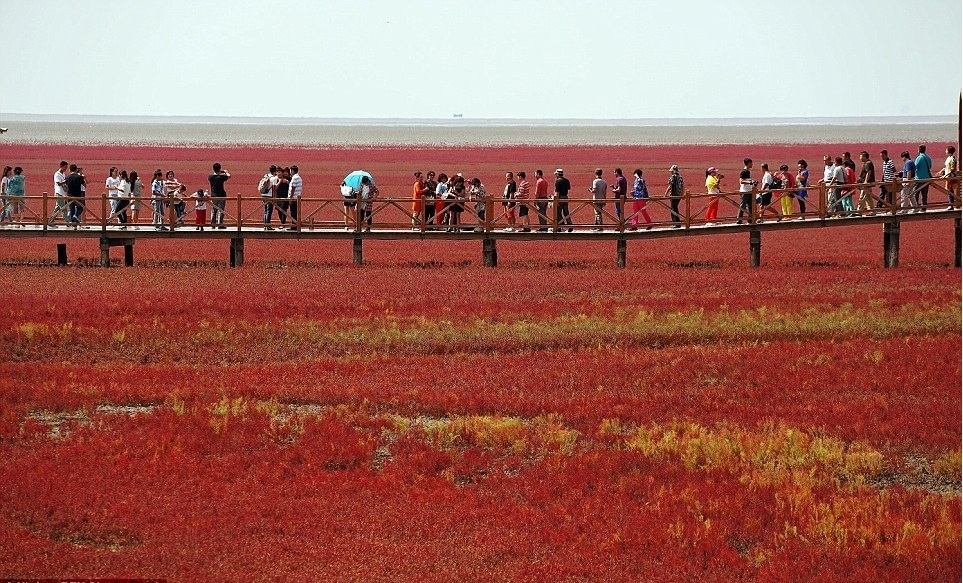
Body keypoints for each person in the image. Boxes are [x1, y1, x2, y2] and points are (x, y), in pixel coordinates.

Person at [208, 162, 230, 229]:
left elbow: (213, 175)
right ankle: (220, 224)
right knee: (221, 210)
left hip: (213, 195)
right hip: (221, 195)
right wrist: (225, 172)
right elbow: (229, 176)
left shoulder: (210, 177)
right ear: (219, 168)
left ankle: (213, 224)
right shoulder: (221, 177)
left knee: (213, 210)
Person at [48, 161, 69, 227]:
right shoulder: (57, 174)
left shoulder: (63, 174)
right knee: (63, 209)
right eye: (65, 167)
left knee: (57, 209)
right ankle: (68, 223)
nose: (66, 168)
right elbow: (58, 183)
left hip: (62, 194)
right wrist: (66, 181)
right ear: (61, 166)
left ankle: (51, 221)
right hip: (58, 193)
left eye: (66, 167)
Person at [65, 164, 86, 228]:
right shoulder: (79, 177)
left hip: (69, 196)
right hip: (77, 195)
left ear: (70, 170)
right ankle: (76, 216)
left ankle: (73, 224)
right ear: (76, 169)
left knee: (72, 210)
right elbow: (84, 184)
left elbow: (66, 186)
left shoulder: (67, 177)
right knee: (80, 208)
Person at [913, 144, 933, 210]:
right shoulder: (928, 157)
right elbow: (930, 166)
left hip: (919, 178)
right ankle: (924, 207)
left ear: (919, 150)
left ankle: (915, 207)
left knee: (915, 193)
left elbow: (915, 167)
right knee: (924, 194)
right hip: (926, 178)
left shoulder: (919, 158)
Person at [737, 158, 756, 224]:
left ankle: (750, 220)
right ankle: (739, 219)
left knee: (750, 206)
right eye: (751, 163)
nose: (752, 164)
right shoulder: (744, 171)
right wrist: (750, 182)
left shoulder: (748, 171)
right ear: (748, 163)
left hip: (749, 191)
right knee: (743, 205)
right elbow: (741, 181)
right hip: (745, 191)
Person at [260, 165, 277, 229]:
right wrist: (274, 198)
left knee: (265, 210)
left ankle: (265, 225)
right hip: (269, 195)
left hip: (263, 194)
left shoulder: (266, 176)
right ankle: (268, 226)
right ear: (275, 171)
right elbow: (274, 188)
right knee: (269, 211)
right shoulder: (274, 178)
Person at [287, 165, 302, 230]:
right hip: (297, 197)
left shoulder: (294, 178)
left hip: (294, 198)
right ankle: (295, 225)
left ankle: (294, 226)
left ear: (292, 171)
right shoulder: (299, 177)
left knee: (293, 212)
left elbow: (293, 188)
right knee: (295, 212)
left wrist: (290, 198)